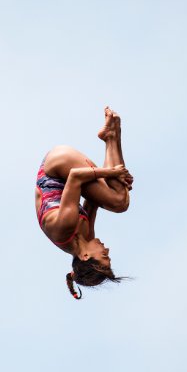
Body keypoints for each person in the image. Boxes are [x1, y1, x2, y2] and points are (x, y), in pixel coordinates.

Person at [35, 106, 133, 299]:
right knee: (119, 198)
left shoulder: (64, 228)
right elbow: (94, 200)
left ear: (85, 256)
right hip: (68, 175)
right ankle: (111, 135)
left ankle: (111, 136)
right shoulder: (86, 237)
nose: (107, 249)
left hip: (56, 165)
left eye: (104, 256)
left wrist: (114, 173)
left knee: (118, 200)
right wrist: (119, 182)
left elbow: (75, 177)